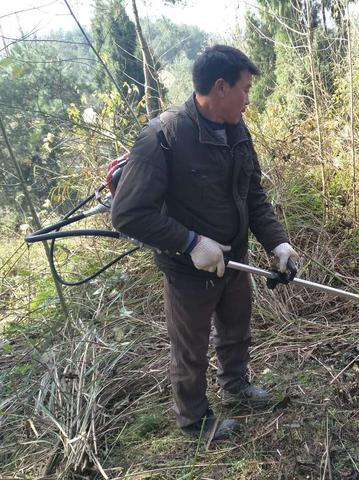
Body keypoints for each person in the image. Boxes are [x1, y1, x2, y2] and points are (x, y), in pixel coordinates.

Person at [111, 45, 299, 441]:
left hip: (235, 259)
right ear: (220, 87)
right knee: (190, 348)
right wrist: (191, 242)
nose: (249, 99)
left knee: (236, 328)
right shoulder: (162, 137)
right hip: (189, 269)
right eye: (245, 89)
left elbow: (253, 194)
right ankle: (195, 422)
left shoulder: (237, 129)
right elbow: (128, 213)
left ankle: (235, 386)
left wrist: (277, 244)